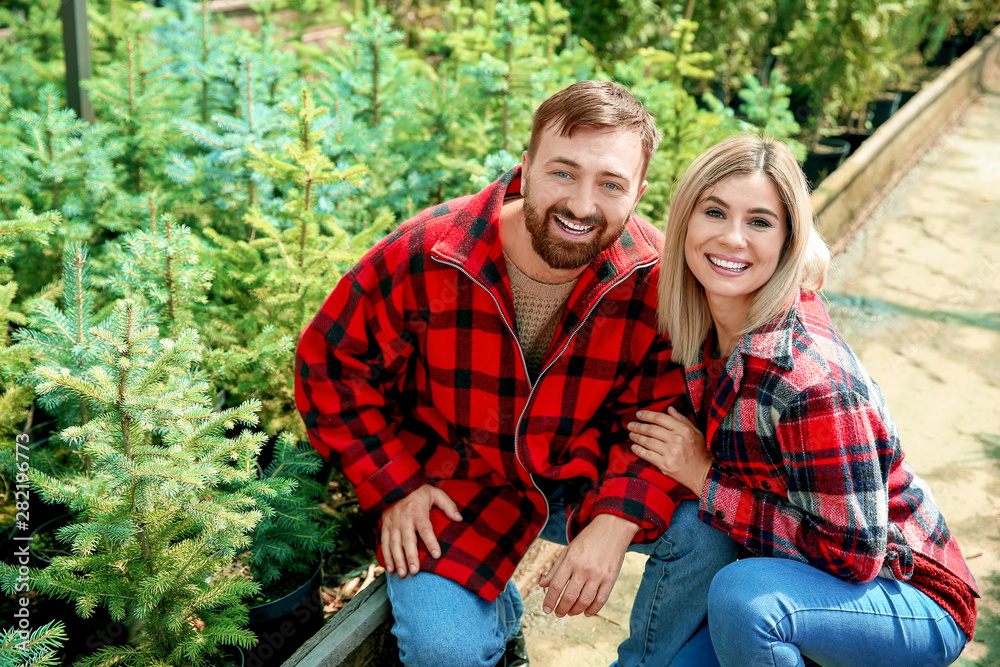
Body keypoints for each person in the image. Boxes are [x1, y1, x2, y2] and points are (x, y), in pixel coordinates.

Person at [295, 80, 736, 667]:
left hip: (583, 472)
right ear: (525, 168)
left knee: (708, 532)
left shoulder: (655, 278)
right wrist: (394, 486)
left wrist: (615, 519)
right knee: (441, 651)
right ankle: (498, 632)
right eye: (562, 173)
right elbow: (331, 361)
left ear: (639, 192)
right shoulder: (432, 252)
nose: (582, 204)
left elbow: (662, 411)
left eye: (610, 184)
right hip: (459, 482)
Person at [627, 133, 979, 667]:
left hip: (904, 594)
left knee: (743, 601)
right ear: (684, 224)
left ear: (790, 240)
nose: (732, 239)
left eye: (760, 222)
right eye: (715, 212)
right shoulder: (704, 328)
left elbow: (854, 555)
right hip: (793, 576)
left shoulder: (808, 380)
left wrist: (704, 478)